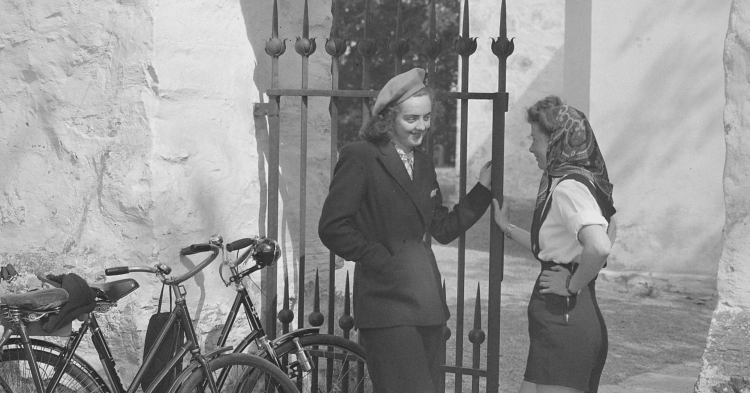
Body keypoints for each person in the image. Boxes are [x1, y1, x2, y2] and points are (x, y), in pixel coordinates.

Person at [318, 68, 492, 393]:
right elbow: (332, 227)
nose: (422, 126)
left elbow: (441, 227)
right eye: (412, 118)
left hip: (427, 305)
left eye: (426, 118)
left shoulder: (424, 163)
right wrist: (378, 256)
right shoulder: (361, 156)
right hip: (385, 305)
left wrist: (482, 190)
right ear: (388, 118)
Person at [493, 96, 616, 393]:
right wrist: (506, 228)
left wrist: (572, 283)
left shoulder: (570, 188)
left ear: (557, 141)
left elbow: (599, 246)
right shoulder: (567, 184)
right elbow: (549, 248)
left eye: (536, 140)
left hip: (566, 321)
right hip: (554, 322)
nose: (531, 148)